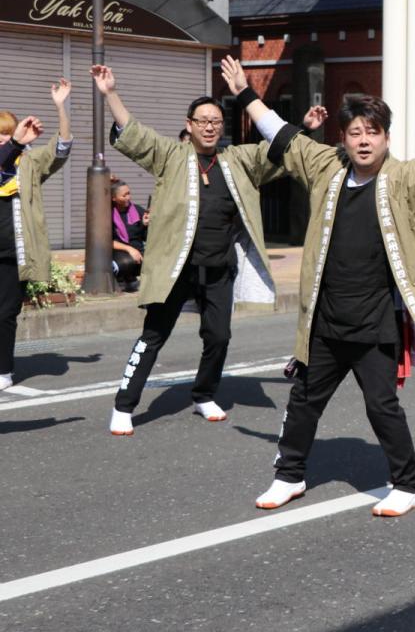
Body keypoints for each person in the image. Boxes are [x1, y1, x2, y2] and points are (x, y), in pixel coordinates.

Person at [217, 56, 415, 517]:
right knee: (305, 400)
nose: (364, 140)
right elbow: (281, 133)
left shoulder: (404, 177)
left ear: (387, 138)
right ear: (344, 139)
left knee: (381, 406)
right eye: (355, 133)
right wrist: (246, 93)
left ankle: (406, 482)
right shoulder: (326, 165)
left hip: (374, 322)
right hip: (326, 319)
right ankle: (289, 476)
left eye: (373, 132)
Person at [93, 64, 316, 436]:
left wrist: (305, 127)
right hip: (176, 268)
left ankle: (204, 393)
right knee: (153, 337)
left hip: (218, 268)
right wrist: (110, 94)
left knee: (219, 337)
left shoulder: (237, 161)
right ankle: (124, 404)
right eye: (203, 120)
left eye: (216, 120)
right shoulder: (170, 155)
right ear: (190, 124)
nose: (211, 126)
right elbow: (135, 135)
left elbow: (277, 151)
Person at [0, 82, 72, 393]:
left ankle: (3, 369)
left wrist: (60, 107)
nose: (4, 138)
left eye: (6, 132)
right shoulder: (11, 153)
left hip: (13, 252)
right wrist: (13, 144)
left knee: (5, 313)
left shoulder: (28, 164)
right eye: (1, 134)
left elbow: (63, 147)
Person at [111, 181, 149, 291]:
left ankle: (130, 278)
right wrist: (130, 249)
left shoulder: (136, 210)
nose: (128, 197)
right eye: (124, 195)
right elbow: (107, 241)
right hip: (120, 253)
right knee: (126, 262)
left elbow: (144, 235)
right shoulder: (109, 214)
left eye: (129, 193)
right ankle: (122, 278)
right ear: (114, 198)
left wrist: (145, 224)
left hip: (139, 251)